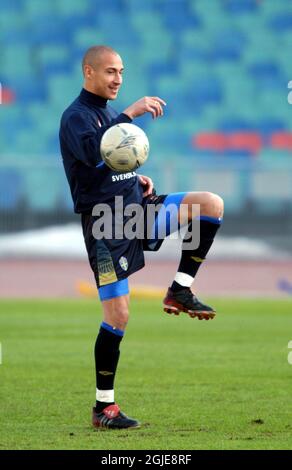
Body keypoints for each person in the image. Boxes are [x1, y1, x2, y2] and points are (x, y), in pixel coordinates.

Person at [59, 45, 224, 430]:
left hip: (138, 210)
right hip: (105, 226)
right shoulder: (76, 117)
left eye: (121, 72)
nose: (117, 79)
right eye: (110, 72)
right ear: (88, 72)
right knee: (118, 315)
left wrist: (135, 179)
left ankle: (180, 289)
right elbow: (94, 153)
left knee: (210, 205)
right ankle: (104, 408)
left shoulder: (103, 113)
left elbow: (112, 163)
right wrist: (130, 114)